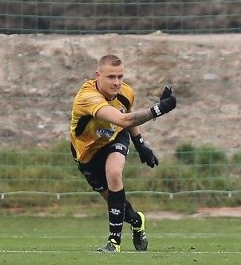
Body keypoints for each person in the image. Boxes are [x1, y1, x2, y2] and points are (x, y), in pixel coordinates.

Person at [70, 54, 177, 253]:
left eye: (120, 76)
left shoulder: (126, 92)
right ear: (98, 75)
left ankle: (114, 242)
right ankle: (137, 221)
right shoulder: (87, 97)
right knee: (116, 204)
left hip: (115, 139)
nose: (117, 82)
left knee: (114, 173)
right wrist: (159, 109)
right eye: (111, 77)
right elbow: (124, 120)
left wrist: (140, 143)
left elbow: (128, 117)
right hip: (87, 152)